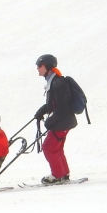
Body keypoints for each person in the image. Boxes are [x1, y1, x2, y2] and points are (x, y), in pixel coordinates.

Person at [34, 54, 77, 184]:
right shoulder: (54, 81)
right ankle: (63, 174)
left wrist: (50, 122)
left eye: (39, 66)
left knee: (49, 147)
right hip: (64, 121)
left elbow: (62, 108)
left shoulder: (57, 83)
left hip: (63, 122)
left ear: (47, 66)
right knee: (55, 148)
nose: (37, 68)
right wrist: (42, 111)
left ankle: (58, 175)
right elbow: (54, 104)